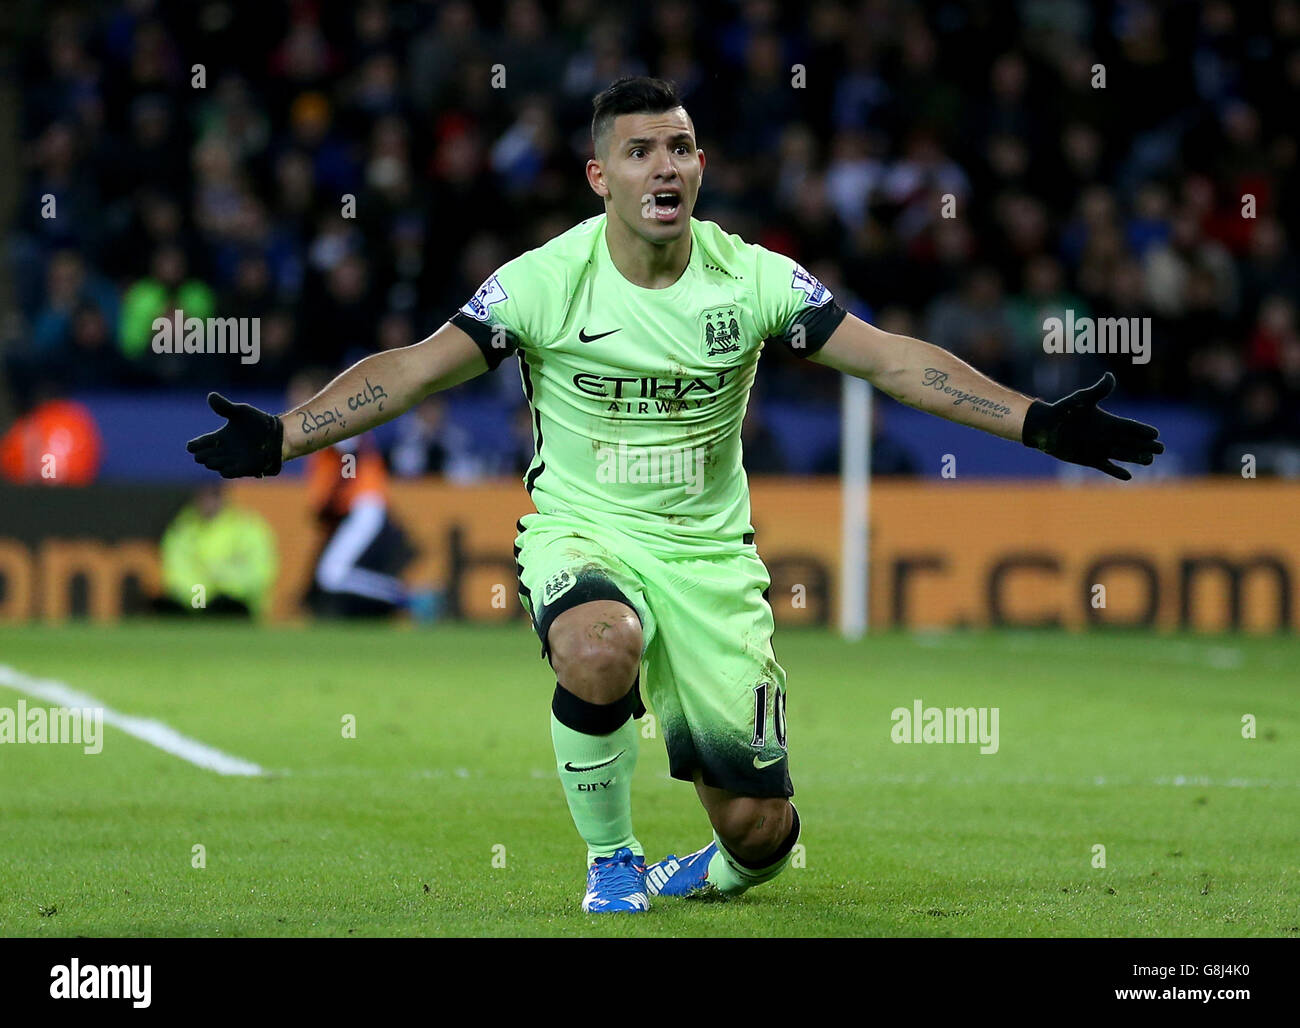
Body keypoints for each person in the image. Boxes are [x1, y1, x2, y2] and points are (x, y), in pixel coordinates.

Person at [186, 77, 1163, 914]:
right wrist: (285, 432)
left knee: (763, 830)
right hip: (582, 527)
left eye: (683, 148)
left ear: (701, 168)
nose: (667, 165)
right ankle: (609, 855)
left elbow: (894, 361)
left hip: (710, 558)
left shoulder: (752, 280)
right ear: (598, 176)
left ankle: (712, 867)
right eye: (642, 149)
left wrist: (1036, 421)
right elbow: (409, 370)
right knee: (597, 644)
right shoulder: (540, 284)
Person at [156, 482, 277, 617]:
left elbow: (259, 574)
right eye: (203, 495)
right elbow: (177, 577)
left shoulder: (249, 528)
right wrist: (204, 600)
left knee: (227, 607)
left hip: (241, 610)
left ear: (224, 496)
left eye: (214, 494)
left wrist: (224, 589)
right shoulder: (182, 530)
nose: (208, 501)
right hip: (196, 610)